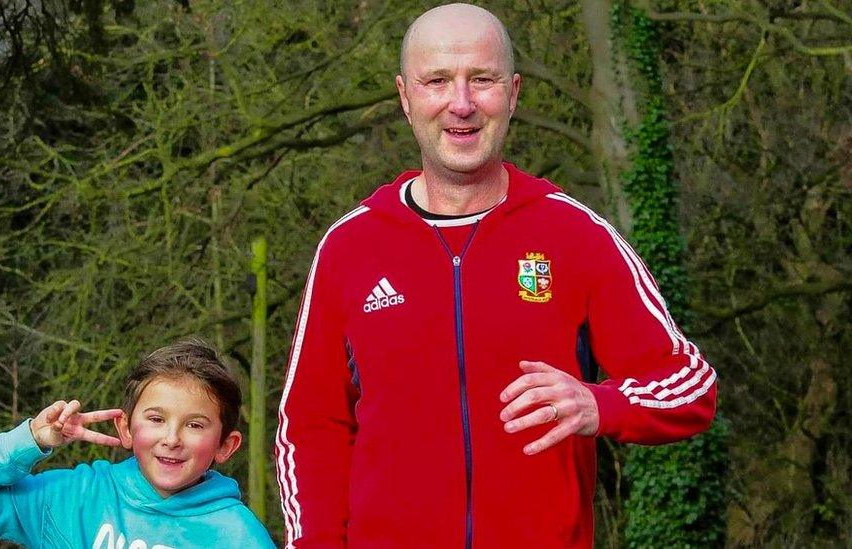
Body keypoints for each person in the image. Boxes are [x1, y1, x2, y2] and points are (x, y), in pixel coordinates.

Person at [274, 3, 717, 548]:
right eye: (437, 81)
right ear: (405, 96)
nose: (461, 104)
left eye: (481, 80)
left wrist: (599, 404)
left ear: (513, 92)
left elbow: (689, 386)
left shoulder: (575, 235)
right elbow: (310, 426)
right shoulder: (350, 247)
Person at [0, 338, 275, 549]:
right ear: (125, 428)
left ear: (225, 446)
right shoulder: (72, 496)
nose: (171, 439)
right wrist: (30, 439)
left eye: (194, 425)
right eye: (156, 419)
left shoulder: (238, 536)